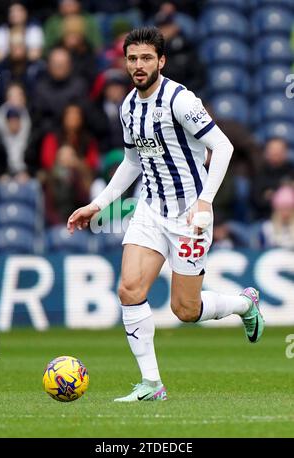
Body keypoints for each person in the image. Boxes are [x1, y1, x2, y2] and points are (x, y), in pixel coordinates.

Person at [67, 27, 264, 402]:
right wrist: (98, 205)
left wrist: (206, 201)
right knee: (129, 289)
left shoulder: (180, 100)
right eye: (132, 59)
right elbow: (130, 162)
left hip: (191, 215)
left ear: (161, 61)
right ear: (125, 62)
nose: (138, 66)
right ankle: (152, 385)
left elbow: (222, 147)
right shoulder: (127, 106)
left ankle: (244, 303)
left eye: (145, 58)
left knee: (185, 310)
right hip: (151, 210)